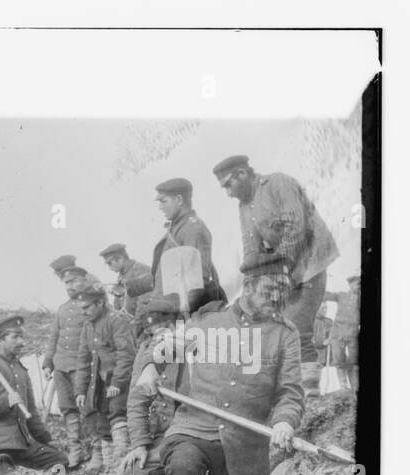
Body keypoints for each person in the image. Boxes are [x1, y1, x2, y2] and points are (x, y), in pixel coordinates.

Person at [132, 252, 304, 475]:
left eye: (283, 290)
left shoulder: (286, 335)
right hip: (195, 427)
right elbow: (161, 352)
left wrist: (285, 421)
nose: (277, 298)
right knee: (183, 464)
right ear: (249, 286)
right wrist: (152, 368)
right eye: (270, 289)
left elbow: (290, 391)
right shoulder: (207, 322)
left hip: (245, 439)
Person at [213, 154, 339, 396]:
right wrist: (251, 283)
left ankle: (310, 394)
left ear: (242, 173)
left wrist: (279, 271)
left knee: (296, 327)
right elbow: (251, 249)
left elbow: (295, 227)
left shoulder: (278, 183)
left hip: (310, 264)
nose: (228, 192)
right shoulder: (244, 206)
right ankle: (291, 392)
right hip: (285, 273)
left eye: (229, 184)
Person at [97, 294, 180, 475]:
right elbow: (135, 403)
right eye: (153, 327)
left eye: (165, 326)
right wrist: (141, 444)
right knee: (133, 468)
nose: (160, 333)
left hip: (191, 430)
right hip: (160, 435)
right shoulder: (145, 353)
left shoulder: (193, 348)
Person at [0, 315, 68, 473]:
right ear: (0, 340)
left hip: (19, 443)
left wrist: (46, 439)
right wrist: (5, 402)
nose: (22, 342)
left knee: (58, 461)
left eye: (22, 337)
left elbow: (31, 412)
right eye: (15, 337)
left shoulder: (21, 370)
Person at [76, 284, 138, 468]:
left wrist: (118, 383)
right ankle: (110, 471)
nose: (83, 312)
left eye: (86, 308)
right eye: (81, 309)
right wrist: (80, 390)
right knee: (102, 422)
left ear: (101, 303)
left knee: (118, 417)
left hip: (121, 381)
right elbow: (83, 360)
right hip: (100, 383)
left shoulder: (117, 320)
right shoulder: (88, 326)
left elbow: (127, 355)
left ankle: (123, 466)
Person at [42, 257, 93, 467]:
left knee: (88, 407)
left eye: (74, 281)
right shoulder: (62, 309)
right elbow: (54, 337)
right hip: (61, 367)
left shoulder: (91, 305)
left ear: (84, 281)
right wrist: (47, 362)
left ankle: (96, 450)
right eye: (67, 283)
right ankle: (75, 450)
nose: (70, 286)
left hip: (81, 367)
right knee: (67, 409)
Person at [150, 177, 224, 313]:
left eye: (163, 201)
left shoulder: (192, 229)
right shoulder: (177, 227)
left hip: (182, 313)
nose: (160, 207)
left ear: (179, 199)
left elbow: (196, 282)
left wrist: (182, 316)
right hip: (168, 308)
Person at [99, 243, 154, 323]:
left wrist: (137, 321)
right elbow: (118, 300)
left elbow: (144, 301)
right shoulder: (122, 275)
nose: (109, 268)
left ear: (120, 259)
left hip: (144, 322)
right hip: (129, 322)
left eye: (109, 263)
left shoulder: (141, 271)